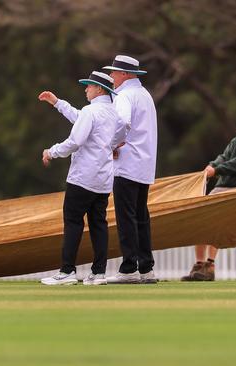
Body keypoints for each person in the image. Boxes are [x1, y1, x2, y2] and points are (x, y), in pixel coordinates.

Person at [37, 71, 120, 286]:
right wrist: (57, 103)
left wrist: (51, 151)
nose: (86, 89)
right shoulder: (112, 112)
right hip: (103, 179)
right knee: (98, 224)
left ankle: (67, 271)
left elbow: (76, 140)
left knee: (73, 222)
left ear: (99, 89)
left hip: (83, 177)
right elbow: (81, 120)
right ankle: (99, 273)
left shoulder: (90, 111)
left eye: (89, 86)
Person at [181, 104, 236, 281]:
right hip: (223, 186)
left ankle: (210, 264)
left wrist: (217, 170)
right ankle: (199, 265)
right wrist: (212, 165)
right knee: (199, 218)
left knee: (216, 222)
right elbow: (225, 156)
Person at [102, 55, 159, 284]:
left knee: (126, 218)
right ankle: (146, 268)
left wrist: (111, 144)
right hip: (144, 164)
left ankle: (129, 268)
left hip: (127, 163)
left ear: (125, 74)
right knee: (141, 217)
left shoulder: (124, 95)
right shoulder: (145, 95)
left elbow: (123, 123)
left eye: (115, 72)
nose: (112, 77)